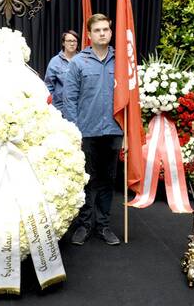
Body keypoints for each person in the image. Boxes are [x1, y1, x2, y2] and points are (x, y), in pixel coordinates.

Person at [63, 13, 123, 246]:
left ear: (110, 32)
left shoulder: (121, 62)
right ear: (89, 35)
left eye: (105, 30)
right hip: (85, 132)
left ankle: (104, 226)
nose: (102, 33)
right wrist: (74, 131)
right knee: (85, 180)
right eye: (97, 30)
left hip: (113, 130)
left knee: (108, 180)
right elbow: (69, 99)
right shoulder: (79, 62)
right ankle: (85, 225)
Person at [44, 30, 79, 114]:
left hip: (80, 108)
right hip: (61, 108)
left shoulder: (83, 60)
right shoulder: (55, 62)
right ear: (63, 43)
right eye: (69, 41)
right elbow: (48, 86)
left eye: (74, 41)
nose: (72, 43)